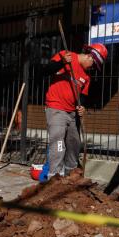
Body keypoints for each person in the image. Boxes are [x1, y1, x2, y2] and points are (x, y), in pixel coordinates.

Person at [41, 43, 107, 180]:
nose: (93, 69)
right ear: (90, 56)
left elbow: (81, 98)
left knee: (74, 143)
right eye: (94, 65)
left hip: (71, 114)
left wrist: (82, 107)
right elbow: (46, 70)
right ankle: (55, 178)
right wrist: (62, 62)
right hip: (56, 108)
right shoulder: (66, 55)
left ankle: (71, 176)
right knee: (58, 143)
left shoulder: (86, 78)